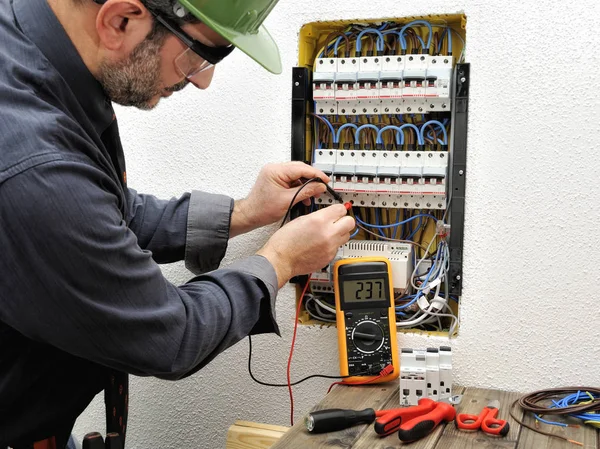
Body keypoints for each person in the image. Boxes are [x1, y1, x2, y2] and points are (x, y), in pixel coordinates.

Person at [0, 0, 355, 447]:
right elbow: (168, 335)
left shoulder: (30, 53)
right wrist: (280, 261)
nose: (202, 79)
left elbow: (104, 211)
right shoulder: (33, 162)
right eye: (201, 54)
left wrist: (244, 213)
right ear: (120, 20)